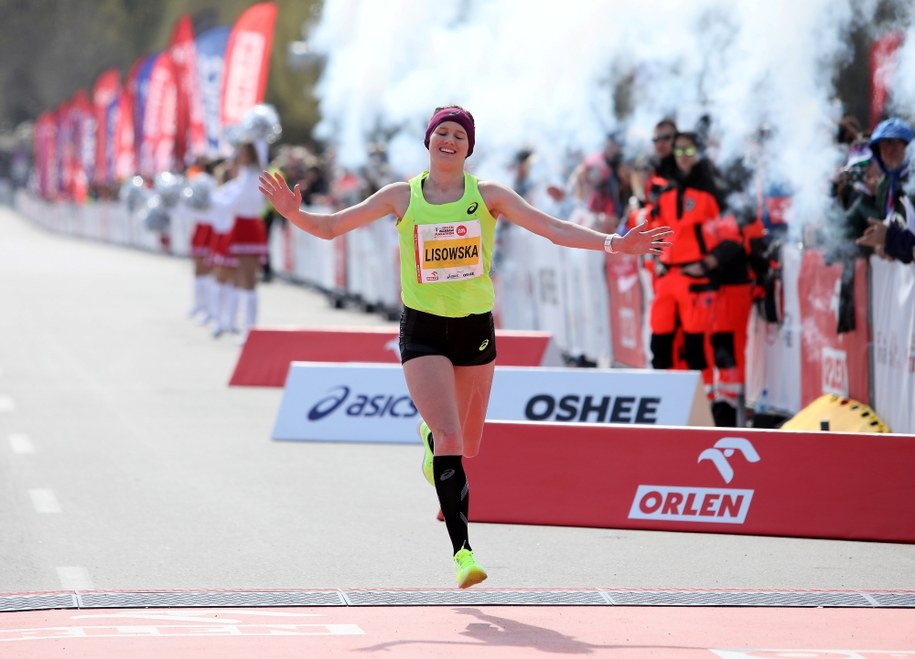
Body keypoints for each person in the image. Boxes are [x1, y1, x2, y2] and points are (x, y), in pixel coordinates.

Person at [258, 105, 673, 589]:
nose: (449, 140)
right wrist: (293, 214)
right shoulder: (400, 196)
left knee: (466, 445)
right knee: (453, 440)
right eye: (442, 132)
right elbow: (331, 228)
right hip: (423, 332)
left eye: (459, 134)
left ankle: (432, 441)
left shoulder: (489, 196)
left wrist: (613, 243)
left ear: (468, 147)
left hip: (474, 330)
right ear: (429, 141)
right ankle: (463, 554)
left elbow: (554, 229)